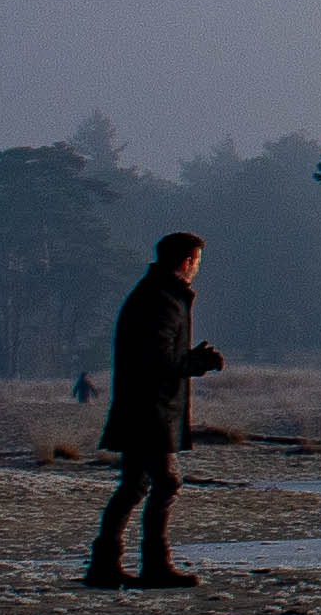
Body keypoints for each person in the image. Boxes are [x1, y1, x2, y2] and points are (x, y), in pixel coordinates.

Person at [84, 232, 224, 589]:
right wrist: (197, 361)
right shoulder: (163, 299)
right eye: (196, 262)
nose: (197, 269)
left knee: (134, 485)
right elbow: (158, 359)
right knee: (164, 482)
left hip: (141, 406)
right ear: (185, 262)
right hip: (151, 409)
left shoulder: (154, 293)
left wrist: (191, 358)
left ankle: (105, 564)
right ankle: (153, 565)